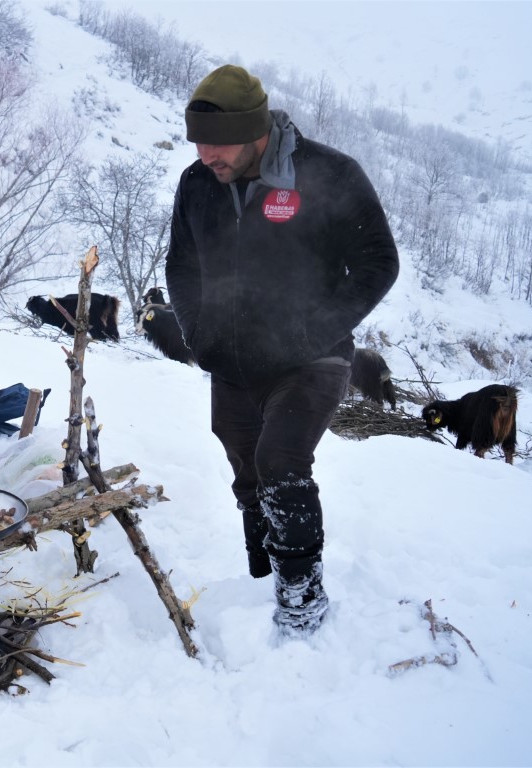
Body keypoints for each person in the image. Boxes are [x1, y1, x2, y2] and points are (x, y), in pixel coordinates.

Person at [164, 65, 399, 637]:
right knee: (246, 470)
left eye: (218, 145)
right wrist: (200, 336)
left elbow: (378, 263)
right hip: (233, 360)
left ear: (256, 133)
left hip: (311, 357)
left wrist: (312, 331)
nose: (206, 155)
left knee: (281, 459)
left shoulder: (328, 175)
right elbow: (183, 266)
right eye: (198, 142)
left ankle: (301, 597)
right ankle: (259, 579)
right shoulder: (198, 183)